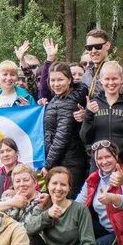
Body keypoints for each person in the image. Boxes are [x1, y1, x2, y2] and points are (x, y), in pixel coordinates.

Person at [23, 168, 96, 245]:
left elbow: (89, 243)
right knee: (31, 238)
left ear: (69, 188)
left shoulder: (80, 209)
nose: (58, 188)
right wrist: (47, 215)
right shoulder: (42, 208)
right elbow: (29, 228)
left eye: (63, 184)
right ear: (48, 186)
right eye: (54, 183)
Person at [74, 140, 123, 245]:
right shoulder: (93, 179)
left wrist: (113, 198)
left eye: (108, 157)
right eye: (99, 158)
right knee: (74, 237)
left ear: (116, 156)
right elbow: (78, 203)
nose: (104, 162)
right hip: (104, 228)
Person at [81, 62, 123, 169]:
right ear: (101, 81)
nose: (111, 82)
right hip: (99, 163)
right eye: (107, 79)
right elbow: (85, 137)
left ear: (121, 80)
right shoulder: (94, 104)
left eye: (114, 78)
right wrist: (89, 115)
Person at [43, 63, 88, 195]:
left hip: (70, 162)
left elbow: (62, 137)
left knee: (68, 203)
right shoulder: (58, 98)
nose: (56, 84)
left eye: (60, 80)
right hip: (61, 160)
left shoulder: (69, 102)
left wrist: (48, 165)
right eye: (53, 80)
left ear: (69, 80)